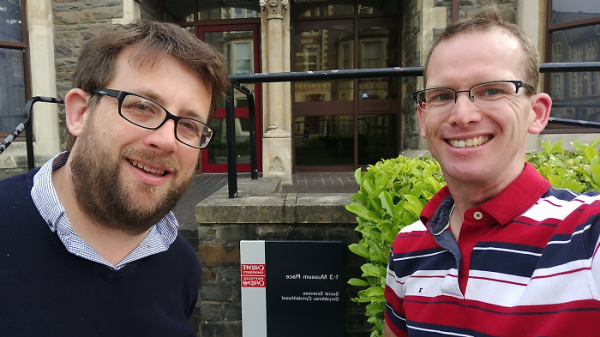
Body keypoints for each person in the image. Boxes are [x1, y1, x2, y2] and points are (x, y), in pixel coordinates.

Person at [0, 21, 229, 336]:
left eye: (189, 125)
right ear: (80, 113)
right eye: (142, 106)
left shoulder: (181, 266)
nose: (167, 141)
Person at [384, 7, 600, 337]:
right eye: (442, 95)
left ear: (537, 113)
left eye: (491, 90)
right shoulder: (407, 247)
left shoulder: (586, 237)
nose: (462, 114)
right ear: (422, 120)